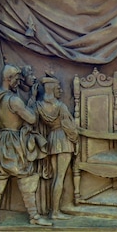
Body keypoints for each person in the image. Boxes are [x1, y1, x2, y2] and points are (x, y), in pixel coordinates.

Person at [0, 64, 50, 226]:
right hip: (14, 143)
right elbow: (32, 119)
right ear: (8, 79)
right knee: (25, 178)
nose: (17, 82)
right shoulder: (13, 100)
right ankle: (34, 216)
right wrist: (32, 99)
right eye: (16, 79)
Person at [34, 74, 78, 220]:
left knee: (56, 178)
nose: (61, 90)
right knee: (60, 177)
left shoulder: (39, 106)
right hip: (63, 140)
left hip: (52, 139)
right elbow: (69, 127)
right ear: (52, 89)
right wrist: (75, 140)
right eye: (58, 88)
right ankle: (56, 212)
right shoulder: (61, 107)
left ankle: (55, 210)